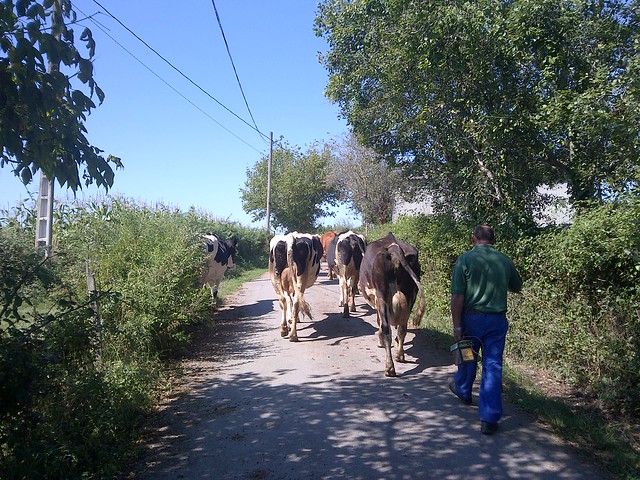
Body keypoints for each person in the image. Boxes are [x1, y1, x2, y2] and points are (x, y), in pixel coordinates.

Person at [448, 225, 522, 435]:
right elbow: (517, 286)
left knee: (468, 356)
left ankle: (463, 390)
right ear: (494, 241)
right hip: (496, 322)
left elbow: (457, 297)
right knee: (493, 365)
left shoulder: (464, 260)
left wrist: (457, 326)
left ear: (474, 239)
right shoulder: (504, 260)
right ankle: (489, 419)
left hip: (471, 319)